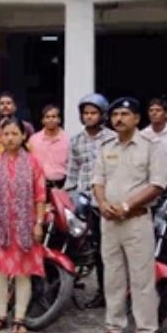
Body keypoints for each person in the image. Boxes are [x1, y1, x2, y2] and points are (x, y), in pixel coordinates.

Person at [90, 97, 167, 333]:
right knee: (113, 278)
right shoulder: (106, 145)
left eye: (125, 114)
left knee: (142, 280)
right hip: (109, 222)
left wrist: (125, 205)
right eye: (115, 115)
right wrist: (102, 203)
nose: (119, 119)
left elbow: (157, 184)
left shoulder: (150, 147)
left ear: (137, 119)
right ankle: (115, 329)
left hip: (136, 220)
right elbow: (97, 180)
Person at [0, 118, 48, 333]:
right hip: (0, 225)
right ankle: (0, 316)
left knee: (23, 274)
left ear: (23, 136)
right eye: (6, 134)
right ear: (0, 136)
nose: (9, 138)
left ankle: (19, 319)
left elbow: (40, 196)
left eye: (14, 134)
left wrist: (39, 223)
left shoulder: (33, 163)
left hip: (25, 226)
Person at [65, 92, 115, 307]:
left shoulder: (112, 139)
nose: (89, 117)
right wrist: (67, 195)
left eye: (93, 113)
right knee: (82, 246)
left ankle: (107, 293)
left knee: (106, 251)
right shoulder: (76, 140)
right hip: (83, 201)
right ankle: (69, 285)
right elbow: (72, 171)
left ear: (102, 115)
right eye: (85, 113)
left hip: (105, 202)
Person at [28, 104, 69, 189]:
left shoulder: (68, 140)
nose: (50, 119)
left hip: (62, 186)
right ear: (43, 120)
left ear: (59, 120)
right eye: (47, 117)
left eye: (54, 117)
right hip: (39, 186)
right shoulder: (34, 140)